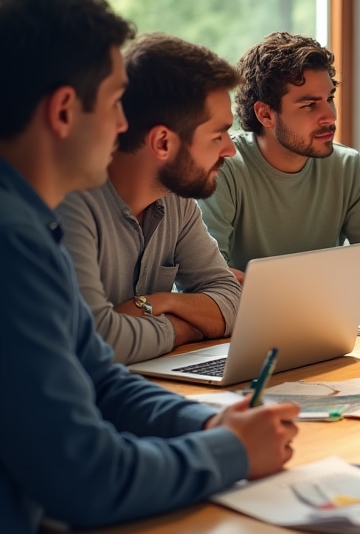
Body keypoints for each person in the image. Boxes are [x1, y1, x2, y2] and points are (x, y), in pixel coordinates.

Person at [0, 0, 299, 534]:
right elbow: (86, 479)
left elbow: (99, 375)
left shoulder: (29, 223)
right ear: (65, 111)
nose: (124, 126)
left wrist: (210, 422)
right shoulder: (13, 243)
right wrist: (226, 451)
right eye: (114, 105)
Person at [58, 33, 242, 364]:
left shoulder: (176, 200)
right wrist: (185, 328)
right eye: (217, 135)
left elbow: (231, 300)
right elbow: (101, 339)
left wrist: (159, 303)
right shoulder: (71, 203)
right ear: (162, 143)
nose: (230, 149)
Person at [199, 32, 360, 315]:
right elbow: (207, 277)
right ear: (266, 115)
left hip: (321, 328)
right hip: (241, 330)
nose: (330, 116)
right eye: (309, 105)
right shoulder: (223, 168)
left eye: (329, 98)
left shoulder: (347, 167)